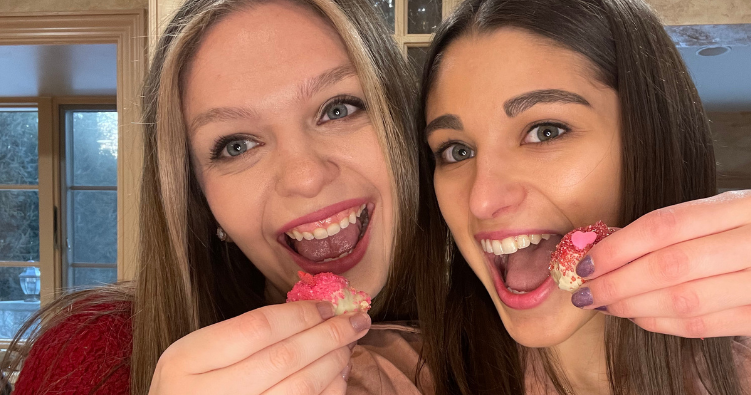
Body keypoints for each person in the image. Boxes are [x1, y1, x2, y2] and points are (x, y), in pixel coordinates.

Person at [417, 0, 751, 393]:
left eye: (545, 131)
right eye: (456, 151)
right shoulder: (390, 375)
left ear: (652, 142)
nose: (481, 200)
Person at [3, 0, 441, 394]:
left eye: (338, 109)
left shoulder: (506, 336)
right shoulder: (91, 360)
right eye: (237, 145)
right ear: (200, 200)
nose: (305, 178)